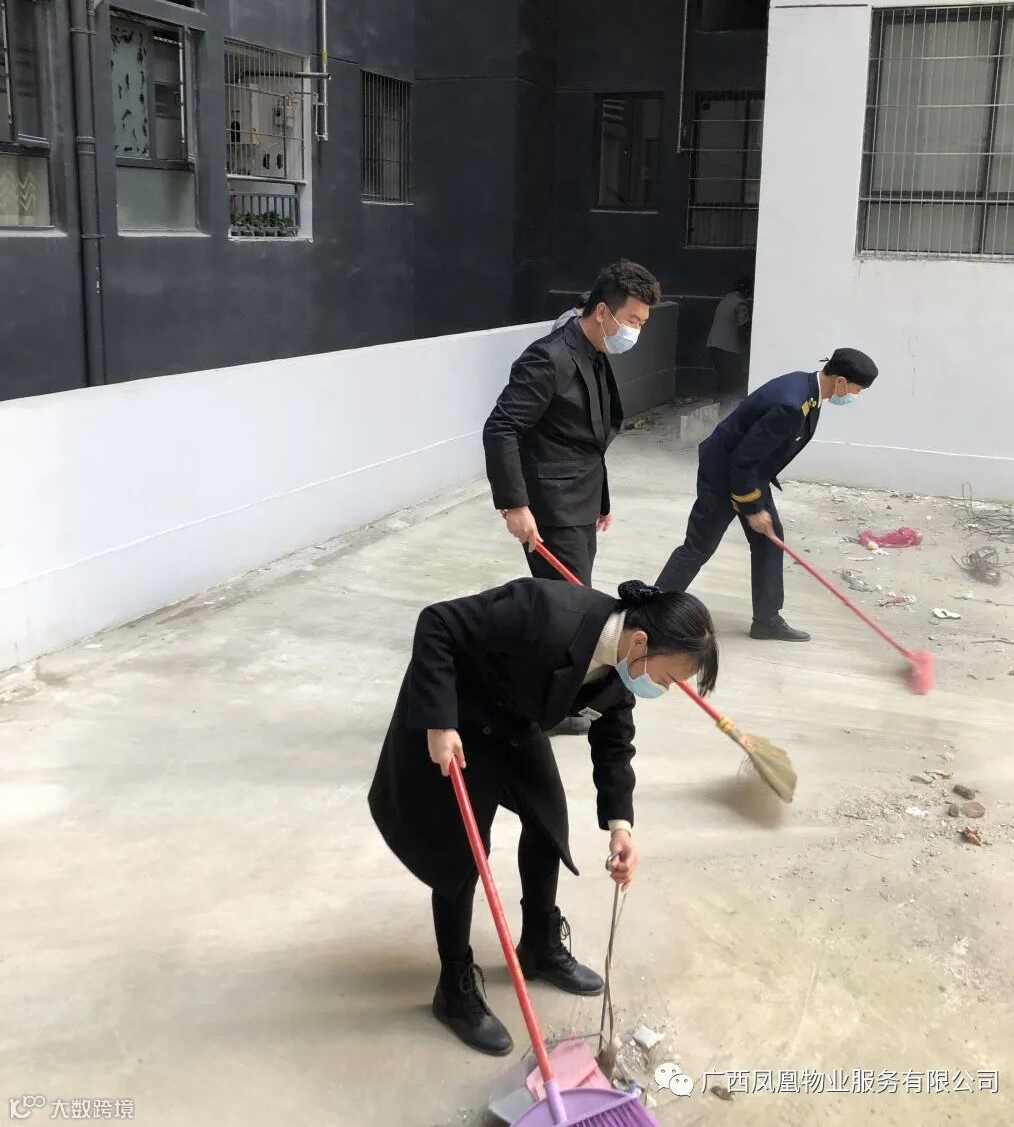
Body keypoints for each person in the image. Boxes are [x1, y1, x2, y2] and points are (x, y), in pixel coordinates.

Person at [368, 577, 719, 1056]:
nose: (666, 688)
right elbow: (438, 623)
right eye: (668, 679)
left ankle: (538, 945)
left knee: (547, 821)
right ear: (640, 642)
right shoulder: (544, 612)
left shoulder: (620, 668)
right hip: (458, 719)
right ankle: (453, 987)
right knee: (462, 855)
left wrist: (621, 827)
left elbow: (615, 743)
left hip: (514, 721)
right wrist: (439, 722)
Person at [484, 260, 662, 734]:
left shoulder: (595, 350)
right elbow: (501, 427)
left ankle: (555, 701)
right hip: (550, 506)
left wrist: (601, 499)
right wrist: (515, 505)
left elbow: (585, 437)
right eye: (633, 320)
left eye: (642, 323)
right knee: (568, 612)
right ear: (603, 311)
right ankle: (533, 708)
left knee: (569, 608)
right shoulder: (549, 358)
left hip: (580, 500)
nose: (636, 331)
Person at [655, 348, 880, 642]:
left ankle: (767, 620)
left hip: (750, 473)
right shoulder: (791, 405)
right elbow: (743, 460)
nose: (856, 396)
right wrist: (752, 507)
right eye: (857, 389)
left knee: (770, 542)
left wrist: (755, 502)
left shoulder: (807, 390)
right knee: (699, 547)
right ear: (840, 381)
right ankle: (651, 612)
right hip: (723, 474)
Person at [707, 278, 753, 399]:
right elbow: (743, 326)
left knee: (725, 381)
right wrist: (746, 345)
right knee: (734, 382)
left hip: (714, 345)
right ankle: (726, 406)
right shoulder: (740, 304)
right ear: (747, 291)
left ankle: (718, 404)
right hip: (727, 348)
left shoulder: (727, 299)